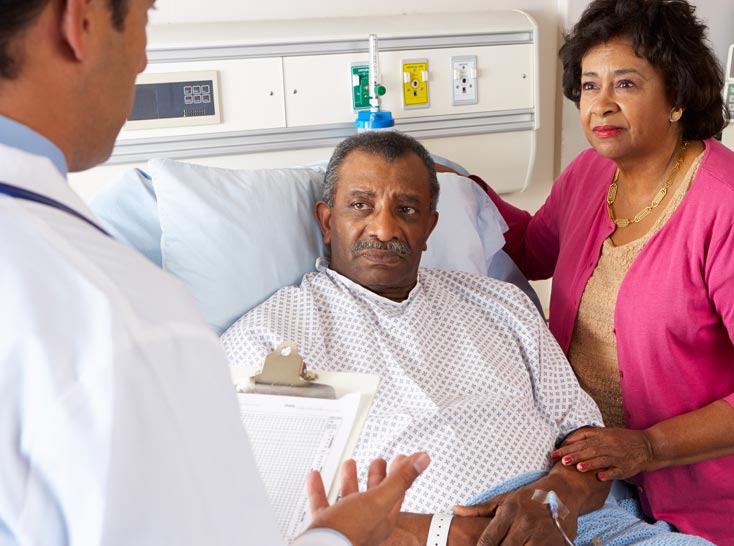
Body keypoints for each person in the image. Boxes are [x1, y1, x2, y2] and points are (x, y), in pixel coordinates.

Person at [0, 1, 430, 545]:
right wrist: (341, 537)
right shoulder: (129, 321)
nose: (142, 59)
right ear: (80, 21)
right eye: (144, 19)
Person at [222, 130, 714, 546]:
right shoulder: (269, 339)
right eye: (361, 205)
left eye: (407, 209)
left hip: (577, 526)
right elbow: (274, 517)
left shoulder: (500, 303)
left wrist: (550, 501)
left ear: (430, 227)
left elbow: (587, 443)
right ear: (328, 221)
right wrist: (449, 532)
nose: (385, 227)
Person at [471, 0, 734, 543]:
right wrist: (456, 186)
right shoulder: (592, 173)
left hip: (698, 497)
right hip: (586, 472)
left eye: (627, 84)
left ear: (678, 97)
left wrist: (648, 446)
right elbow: (530, 249)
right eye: (590, 86)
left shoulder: (723, 205)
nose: (602, 105)